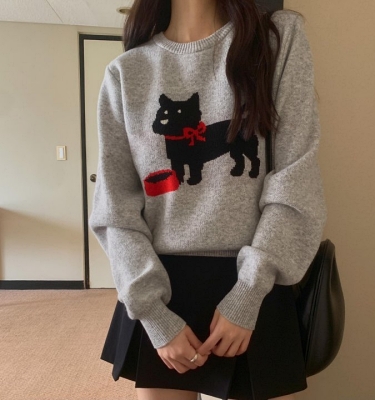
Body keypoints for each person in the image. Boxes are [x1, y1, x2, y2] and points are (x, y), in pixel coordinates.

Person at [89, 0, 328, 399]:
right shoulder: (126, 72)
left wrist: (249, 293)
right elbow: (115, 211)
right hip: (159, 286)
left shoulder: (276, 41)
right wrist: (154, 314)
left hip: (256, 280)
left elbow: (296, 179)